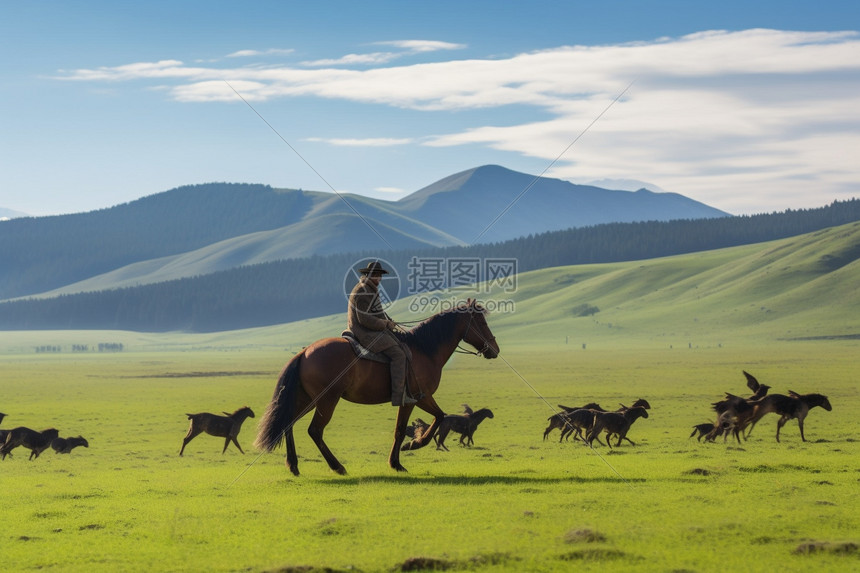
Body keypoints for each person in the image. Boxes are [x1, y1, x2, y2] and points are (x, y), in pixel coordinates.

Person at [347, 261, 417, 406]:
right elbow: (364, 318)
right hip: (365, 332)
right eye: (377, 276)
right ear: (369, 275)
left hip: (371, 330)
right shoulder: (364, 291)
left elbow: (378, 312)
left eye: (380, 276)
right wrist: (385, 324)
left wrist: (390, 322)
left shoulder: (369, 289)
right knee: (399, 354)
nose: (379, 279)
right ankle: (399, 396)